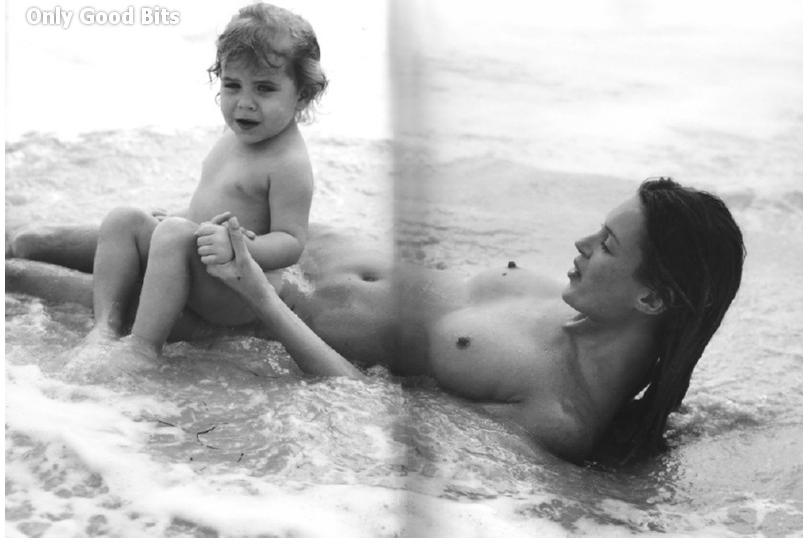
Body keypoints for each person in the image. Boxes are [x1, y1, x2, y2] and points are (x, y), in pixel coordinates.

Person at [6, 178, 745, 464]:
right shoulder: (583, 299)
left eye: (607, 245)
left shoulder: (563, 413)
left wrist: (260, 296)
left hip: (250, 297)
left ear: (653, 300)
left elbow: (372, 401)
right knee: (32, 236)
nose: (581, 246)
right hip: (289, 245)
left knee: (18, 273)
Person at [83, 2, 327, 359]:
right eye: (232, 85)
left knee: (172, 233)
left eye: (264, 88)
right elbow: (215, 198)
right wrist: (182, 216)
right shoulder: (236, 135)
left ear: (302, 95)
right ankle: (105, 325)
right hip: (197, 258)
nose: (244, 103)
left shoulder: (288, 163)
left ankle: (143, 347)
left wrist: (238, 248)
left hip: (233, 288)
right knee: (124, 219)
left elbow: (291, 241)